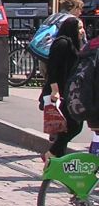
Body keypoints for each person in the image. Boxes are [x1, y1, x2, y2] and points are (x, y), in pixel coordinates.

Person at [39, 16, 86, 164]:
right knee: (73, 125)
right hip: (60, 91)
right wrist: (55, 90)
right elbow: (52, 69)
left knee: (68, 127)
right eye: (79, 28)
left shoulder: (74, 43)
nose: (82, 31)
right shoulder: (62, 43)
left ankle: (55, 161)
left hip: (70, 91)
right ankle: (51, 154)